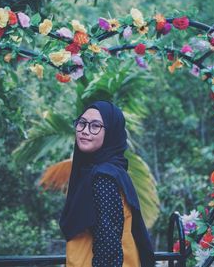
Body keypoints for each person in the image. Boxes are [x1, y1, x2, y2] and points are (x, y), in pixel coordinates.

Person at [59, 100, 155, 267]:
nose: (85, 131)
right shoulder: (100, 171)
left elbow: (108, 245)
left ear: (110, 132)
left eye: (95, 126)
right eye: (82, 123)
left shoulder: (103, 177)